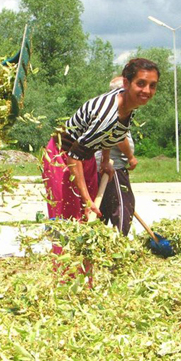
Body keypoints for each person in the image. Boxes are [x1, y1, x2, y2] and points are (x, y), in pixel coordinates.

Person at [42, 58, 159, 284]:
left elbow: (109, 136)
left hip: (82, 157)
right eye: (141, 84)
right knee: (69, 220)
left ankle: (85, 281)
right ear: (126, 82)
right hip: (60, 157)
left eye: (152, 85)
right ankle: (65, 283)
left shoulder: (127, 106)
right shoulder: (107, 114)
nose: (147, 90)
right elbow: (72, 156)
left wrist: (105, 160)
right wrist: (87, 199)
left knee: (86, 223)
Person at [94, 77, 137, 236]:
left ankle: (101, 245)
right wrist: (130, 157)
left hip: (104, 166)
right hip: (114, 168)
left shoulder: (108, 107)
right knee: (123, 206)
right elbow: (119, 137)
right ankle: (120, 244)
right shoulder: (118, 109)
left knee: (105, 207)